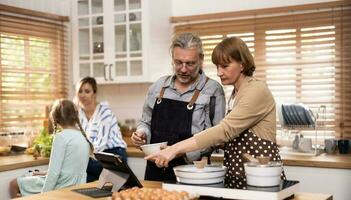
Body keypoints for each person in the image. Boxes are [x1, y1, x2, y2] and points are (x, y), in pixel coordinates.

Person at [146, 36, 286, 188]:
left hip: (262, 178)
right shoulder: (236, 93)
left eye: (225, 66)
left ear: (242, 64)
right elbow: (225, 138)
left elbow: (224, 130)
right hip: (241, 177)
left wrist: (175, 149)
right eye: (217, 66)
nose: (219, 73)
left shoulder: (256, 90)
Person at [131, 33, 226, 181]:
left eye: (190, 63)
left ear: (200, 60)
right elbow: (145, 122)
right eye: (178, 62)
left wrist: (178, 151)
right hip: (155, 170)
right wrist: (141, 134)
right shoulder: (158, 87)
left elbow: (216, 136)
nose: (183, 69)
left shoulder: (212, 90)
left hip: (193, 171)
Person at [9, 99, 92, 197]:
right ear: (75, 117)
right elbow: (69, 169)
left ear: (55, 118)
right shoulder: (82, 137)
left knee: (13, 184)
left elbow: (54, 174)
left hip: (61, 186)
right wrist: (44, 173)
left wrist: (44, 196)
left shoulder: (61, 137)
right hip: (77, 187)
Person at [75, 76, 127, 182]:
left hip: (114, 155)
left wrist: (82, 159)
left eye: (87, 91)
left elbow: (101, 142)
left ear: (94, 93)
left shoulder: (104, 111)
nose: (83, 95)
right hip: (94, 157)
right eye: (80, 91)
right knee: (82, 180)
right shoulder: (78, 114)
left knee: (76, 166)